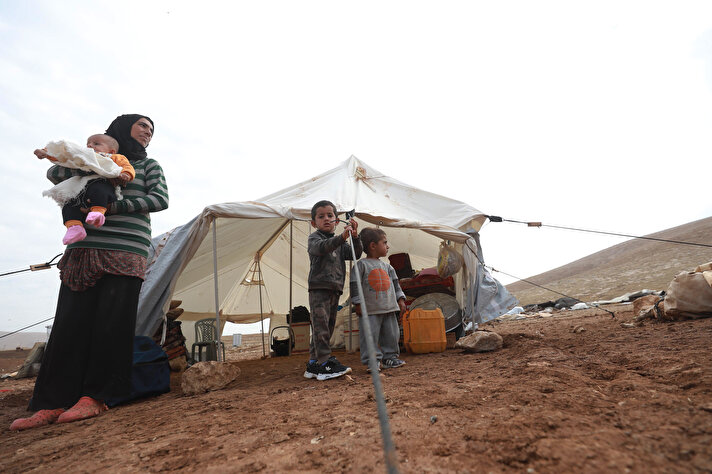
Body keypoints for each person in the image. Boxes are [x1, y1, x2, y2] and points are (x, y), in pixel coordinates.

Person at [10, 114, 168, 431]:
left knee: (111, 325)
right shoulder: (93, 155)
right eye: (142, 126)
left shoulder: (148, 167)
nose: (148, 133)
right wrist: (89, 161)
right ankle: (51, 402)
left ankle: (95, 396)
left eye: (151, 130)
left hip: (125, 250)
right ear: (122, 129)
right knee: (70, 324)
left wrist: (111, 206)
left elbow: (160, 199)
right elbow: (54, 172)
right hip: (83, 251)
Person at [34, 134, 135, 245]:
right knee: (69, 204)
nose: (90, 146)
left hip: (102, 182)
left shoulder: (114, 157)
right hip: (81, 185)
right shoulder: (83, 155)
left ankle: (97, 212)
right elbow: (64, 155)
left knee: (100, 191)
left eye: (96, 144)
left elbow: (127, 166)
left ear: (112, 151)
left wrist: (126, 174)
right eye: (88, 144)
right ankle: (74, 227)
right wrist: (46, 153)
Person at [303, 200, 363, 381]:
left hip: (334, 289)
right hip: (319, 289)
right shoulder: (315, 239)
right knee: (320, 327)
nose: (326, 219)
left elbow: (356, 254)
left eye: (330, 216)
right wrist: (342, 238)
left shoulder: (340, 243)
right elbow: (322, 248)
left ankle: (314, 363)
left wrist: (355, 236)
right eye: (321, 217)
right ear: (314, 223)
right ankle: (325, 363)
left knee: (326, 328)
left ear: (337, 220)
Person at [350, 227, 407, 372]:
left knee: (392, 335)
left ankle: (390, 358)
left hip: (389, 308)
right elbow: (354, 285)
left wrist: (400, 299)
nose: (388, 246)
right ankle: (372, 361)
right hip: (370, 310)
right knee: (369, 336)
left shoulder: (388, 267)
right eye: (385, 242)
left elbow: (396, 284)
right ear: (373, 245)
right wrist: (357, 302)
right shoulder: (361, 265)